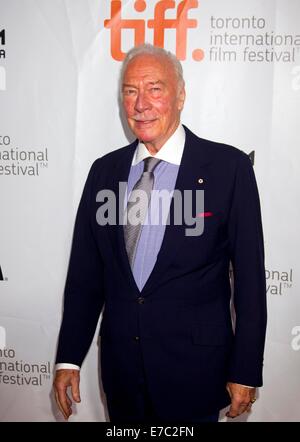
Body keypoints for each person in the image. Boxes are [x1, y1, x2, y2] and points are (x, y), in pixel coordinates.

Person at [53, 44, 267, 422]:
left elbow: (250, 280)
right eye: (130, 91)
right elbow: (86, 278)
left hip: (196, 372)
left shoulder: (227, 168)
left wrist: (245, 369)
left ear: (180, 95)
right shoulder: (104, 172)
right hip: (121, 373)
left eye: (154, 88)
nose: (140, 104)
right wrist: (69, 357)